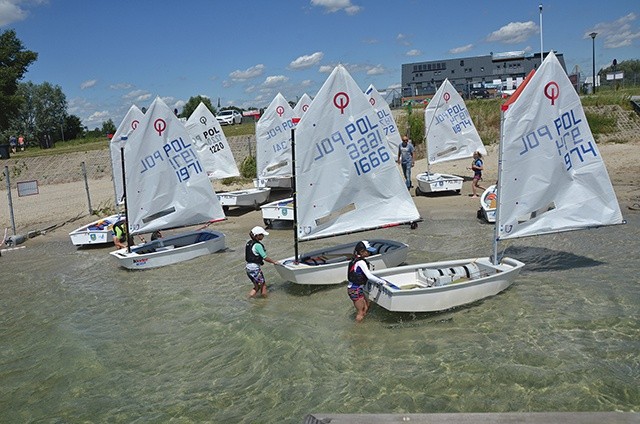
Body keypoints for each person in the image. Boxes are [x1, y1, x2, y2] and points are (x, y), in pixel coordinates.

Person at [346, 240, 388, 323]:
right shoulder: (361, 262)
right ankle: (356, 330)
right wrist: (382, 282)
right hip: (355, 290)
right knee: (361, 312)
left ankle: (363, 323)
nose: (369, 253)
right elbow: (368, 276)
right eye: (368, 251)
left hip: (357, 289)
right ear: (362, 252)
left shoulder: (357, 259)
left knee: (366, 306)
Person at [245, 226, 279, 298]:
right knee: (263, 286)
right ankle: (264, 301)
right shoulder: (258, 245)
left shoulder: (249, 243)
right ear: (257, 236)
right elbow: (265, 257)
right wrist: (274, 262)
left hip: (248, 268)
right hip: (255, 269)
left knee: (257, 286)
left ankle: (248, 298)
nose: (263, 236)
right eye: (262, 235)